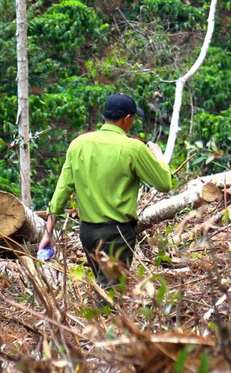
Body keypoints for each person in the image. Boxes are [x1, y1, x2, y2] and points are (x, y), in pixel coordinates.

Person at [41, 93, 176, 285]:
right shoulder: (133, 148)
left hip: (87, 233)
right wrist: (158, 156)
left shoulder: (79, 144)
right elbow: (164, 184)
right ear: (127, 119)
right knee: (110, 297)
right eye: (133, 118)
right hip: (116, 234)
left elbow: (62, 189)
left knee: (103, 288)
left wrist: (48, 232)